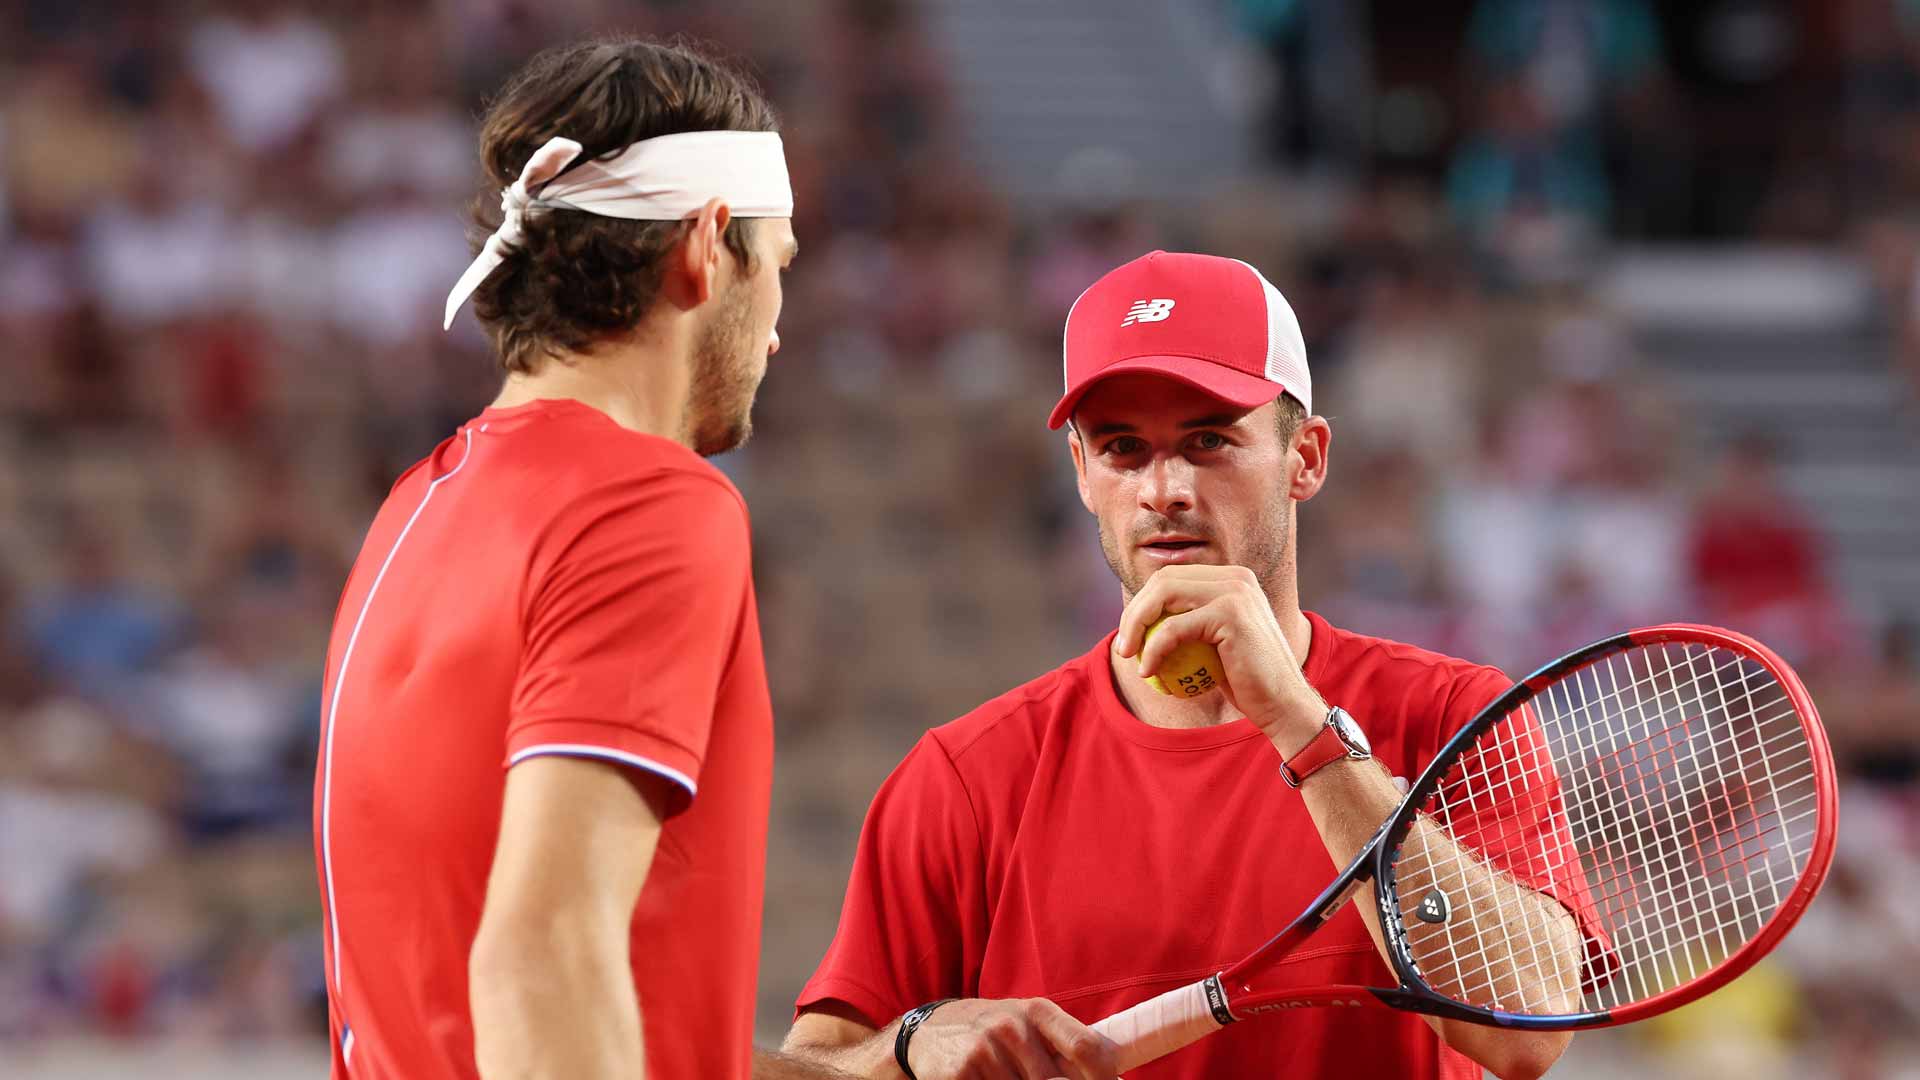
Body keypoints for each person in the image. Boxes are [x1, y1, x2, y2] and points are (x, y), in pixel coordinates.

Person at [782, 252, 1587, 1080]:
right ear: (1084, 477)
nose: (1163, 488)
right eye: (1123, 448)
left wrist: (1302, 727)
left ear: (1306, 458)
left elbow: (1530, 1030)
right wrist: (912, 1044)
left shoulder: (1452, 713)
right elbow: (814, 1067)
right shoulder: (966, 778)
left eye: (1209, 441)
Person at [311, 36, 838, 1080]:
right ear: (704, 244)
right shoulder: (652, 503)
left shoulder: (415, 508)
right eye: (776, 268)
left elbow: (545, 1026)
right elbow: (541, 961)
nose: (777, 329)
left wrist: (886, 1066)